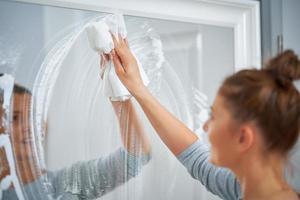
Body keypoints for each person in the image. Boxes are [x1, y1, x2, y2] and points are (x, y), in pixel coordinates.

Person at [110, 34, 300, 200]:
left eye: (214, 117)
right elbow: (195, 157)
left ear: (243, 138)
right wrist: (138, 89)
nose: (206, 126)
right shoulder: (243, 187)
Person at [0, 65, 151, 199]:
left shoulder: (66, 186)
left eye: (33, 115)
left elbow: (136, 158)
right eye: (14, 117)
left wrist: (118, 94)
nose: (30, 126)